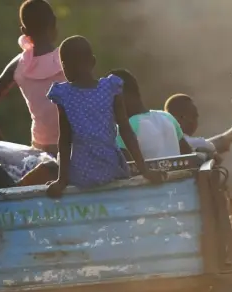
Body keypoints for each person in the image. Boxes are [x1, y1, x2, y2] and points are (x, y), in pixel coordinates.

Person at [45, 36, 164, 198]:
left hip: (91, 173)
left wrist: (62, 179)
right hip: (99, 171)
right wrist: (61, 179)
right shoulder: (70, 94)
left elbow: (65, 140)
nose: (69, 68)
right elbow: (66, 139)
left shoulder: (109, 88)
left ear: (92, 62)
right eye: (65, 64)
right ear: (93, 62)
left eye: (67, 64)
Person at [0, 0, 64, 155]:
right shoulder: (68, 57)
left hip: (41, 152)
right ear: (54, 23)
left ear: (24, 30)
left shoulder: (20, 64)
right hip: (75, 150)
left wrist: (5, 150)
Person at [107, 69, 193, 160]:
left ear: (120, 96)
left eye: (109, 98)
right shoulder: (167, 117)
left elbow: (125, 166)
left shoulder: (127, 128)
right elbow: (188, 154)